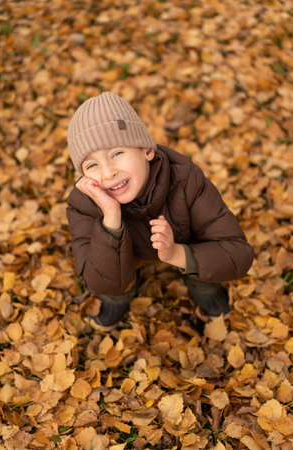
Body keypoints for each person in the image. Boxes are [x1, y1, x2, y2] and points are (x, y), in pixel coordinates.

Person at [66, 92, 254, 331]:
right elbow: (98, 280)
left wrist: (177, 254)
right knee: (109, 268)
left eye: (116, 154)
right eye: (92, 165)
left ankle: (204, 288)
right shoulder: (83, 204)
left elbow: (238, 252)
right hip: (128, 256)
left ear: (146, 150)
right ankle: (120, 298)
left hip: (182, 242)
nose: (107, 173)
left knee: (207, 261)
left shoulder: (186, 180)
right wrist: (111, 218)